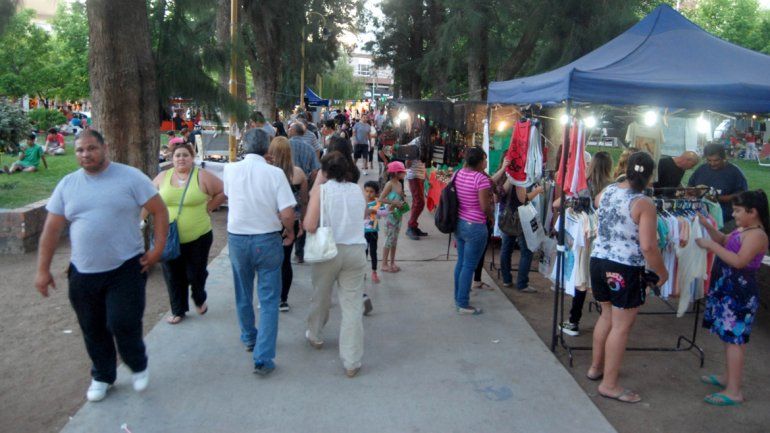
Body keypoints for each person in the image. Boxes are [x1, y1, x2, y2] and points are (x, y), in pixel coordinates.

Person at [34, 129, 169, 402]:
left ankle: (137, 364)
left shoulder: (130, 178)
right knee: (92, 326)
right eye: (80, 150)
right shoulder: (68, 185)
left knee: (123, 321)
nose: (86, 154)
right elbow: (51, 229)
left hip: (126, 268)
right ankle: (103, 375)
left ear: (104, 148)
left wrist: (157, 249)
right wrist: (42, 269)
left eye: (91, 148)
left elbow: (159, 210)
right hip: (83, 273)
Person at [588, 152, 668, 404]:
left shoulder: (608, 191)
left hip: (598, 261)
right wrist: (661, 272)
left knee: (606, 316)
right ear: (649, 175)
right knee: (621, 326)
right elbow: (648, 246)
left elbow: (598, 202)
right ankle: (609, 385)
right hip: (624, 267)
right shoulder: (643, 203)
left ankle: (595, 367)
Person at [223, 129, 296, 376]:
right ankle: (263, 358)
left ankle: (249, 337)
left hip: (237, 239)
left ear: (244, 146)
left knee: (242, 292)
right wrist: (290, 231)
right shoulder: (275, 174)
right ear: (267, 149)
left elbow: (230, 198)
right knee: (269, 300)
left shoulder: (230, 170)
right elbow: (287, 213)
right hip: (267, 240)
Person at [696, 190, 769, 406]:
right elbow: (724, 240)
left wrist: (712, 246)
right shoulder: (744, 229)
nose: (734, 215)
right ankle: (729, 378)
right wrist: (708, 227)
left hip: (740, 294)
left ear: (753, 212)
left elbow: (739, 261)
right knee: (729, 339)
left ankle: (734, 391)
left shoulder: (757, 235)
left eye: (737, 211)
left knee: (735, 341)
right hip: (728, 290)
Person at [304, 151, 368, 378]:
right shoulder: (358, 190)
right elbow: (363, 215)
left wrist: (316, 189)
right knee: (352, 307)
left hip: (328, 250)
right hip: (356, 250)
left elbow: (310, 225)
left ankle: (315, 334)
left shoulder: (321, 191)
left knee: (321, 296)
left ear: (324, 172)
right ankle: (352, 361)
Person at [151, 143, 225, 324]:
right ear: (172, 159)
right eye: (177, 156)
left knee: (195, 273)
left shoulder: (202, 176)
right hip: (169, 237)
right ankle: (178, 310)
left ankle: (199, 297)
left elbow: (223, 191)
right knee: (172, 274)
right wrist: (142, 220)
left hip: (198, 236)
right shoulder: (162, 177)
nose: (181, 158)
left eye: (185, 155)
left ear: (192, 158)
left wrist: (210, 207)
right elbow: (148, 198)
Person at [559, 151, 614, 336]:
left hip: (583, 237)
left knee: (580, 279)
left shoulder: (582, 185)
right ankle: (609, 321)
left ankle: (574, 321)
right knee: (603, 278)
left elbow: (561, 204)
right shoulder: (612, 188)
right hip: (604, 240)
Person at [268, 136, 309, 313]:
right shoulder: (298, 173)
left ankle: (269, 297)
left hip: (269, 222)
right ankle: (283, 299)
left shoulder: (266, 172)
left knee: (269, 264)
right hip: (291, 221)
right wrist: (302, 221)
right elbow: (304, 201)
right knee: (285, 261)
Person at [453, 147, 494, 315]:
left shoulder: (458, 174)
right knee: (469, 265)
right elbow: (484, 207)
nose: (485, 162)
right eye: (484, 160)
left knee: (462, 262)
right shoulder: (481, 179)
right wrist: (491, 216)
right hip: (476, 225)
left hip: (460, 223)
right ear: (478, 162)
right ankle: (463, 303)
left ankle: (458, 296)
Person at [688, 143, 748, 230]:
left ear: (724, 158)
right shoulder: (702, 169)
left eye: (716, 160)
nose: (712, 163)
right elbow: (690, 186)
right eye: (709, 160)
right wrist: (693, 192)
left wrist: (721, 198)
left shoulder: (734, 172)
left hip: (727, 219)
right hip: (702, 217)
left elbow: (743, 193)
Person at [379, 161, 408, 273]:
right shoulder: (389, 184)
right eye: (402, 172)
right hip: (390, 215)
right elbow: (381, 199)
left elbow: (400, 196)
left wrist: (403, 199)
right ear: (396, 173)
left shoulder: (400, 183)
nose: (404, 174)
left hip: (398, 215)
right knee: (388, 240)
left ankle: (392, 262)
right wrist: (394, 203)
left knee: (394, 240)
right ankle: (384, 264)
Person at [363, 180, 382, 285]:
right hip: (363, 232)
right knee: (363, 253)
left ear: (376, 193)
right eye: (367, 191)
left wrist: (375, 211)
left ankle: (374, 272)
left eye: (371, 192)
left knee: (373, 252)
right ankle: (363, 272)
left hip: (373, 231)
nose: (368, 194)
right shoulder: (362, 202)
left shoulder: (377, 203)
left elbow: (384, 213)